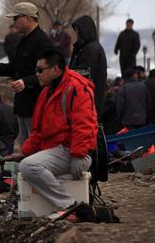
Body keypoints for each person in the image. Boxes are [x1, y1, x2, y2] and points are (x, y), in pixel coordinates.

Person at [14, 49, 97, 214]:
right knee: (25, 165)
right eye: (35, 70)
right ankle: (66, 204)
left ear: (55, 69)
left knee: (29, 167)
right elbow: (38, 131)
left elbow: (83, 125)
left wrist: (77, 155)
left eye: (40, 70)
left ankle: (69, 206)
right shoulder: (47, 91)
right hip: (59, 151)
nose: (37, 74)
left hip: (76, 154)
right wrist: (25, 152)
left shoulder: (76, 88)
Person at [0, 2, 53, 144]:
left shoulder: (43, 42)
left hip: (36, 106)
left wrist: (26, 82)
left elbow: (49, 73)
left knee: (35, 148)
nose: (14, 22)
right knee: (25, 148)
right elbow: (13, 68)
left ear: (28, 18)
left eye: (16, 18)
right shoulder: (23, 40)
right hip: (22, 107)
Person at [69, 15, 107, 116]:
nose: (76, 33)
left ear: (84, 30)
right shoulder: (85, 48)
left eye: (77, 30)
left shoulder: (90, 49)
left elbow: (84, 74)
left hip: (88, 102)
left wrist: (64, 74)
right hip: (87, 101)